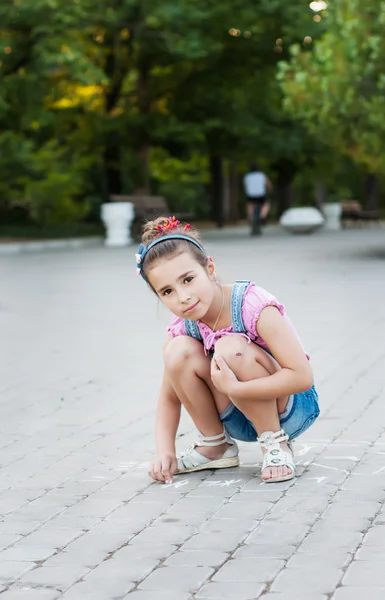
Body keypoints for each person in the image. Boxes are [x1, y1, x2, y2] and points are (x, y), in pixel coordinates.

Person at [135, 216, 320, 485]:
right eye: (167, 291)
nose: (182, 297)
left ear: (210, 268)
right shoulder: (183, 326)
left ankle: (274, 444)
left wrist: (236, 388)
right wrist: (165, 451)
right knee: (177, 351)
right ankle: (215, 445)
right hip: (239, 416)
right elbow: (169, 397)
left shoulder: (252, 304)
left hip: (289, 410)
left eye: (187, 279)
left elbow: (302, 377)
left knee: (229, 346)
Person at [243, 163, 273, 235]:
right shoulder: (262, 175)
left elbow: (245, 186)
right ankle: (262, 215)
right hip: (261, 195)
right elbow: (268, 184)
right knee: (266, 204)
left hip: (251, 195)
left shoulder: (247, 176)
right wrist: (270, 191)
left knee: (250, 205)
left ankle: (251, 217)